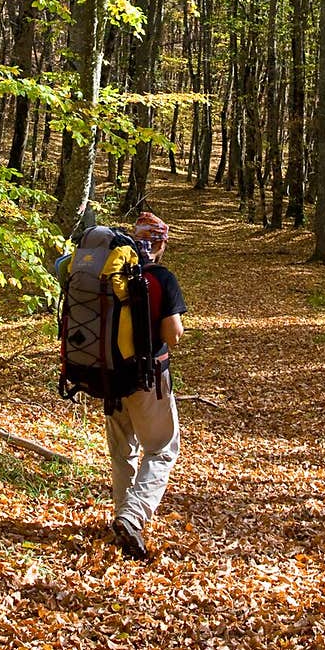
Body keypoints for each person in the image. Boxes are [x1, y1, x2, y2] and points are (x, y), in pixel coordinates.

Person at [107, 210, 186, 562]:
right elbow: (173, 333)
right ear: (160, 243)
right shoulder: (161, 278)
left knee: (123, 450)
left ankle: (123, 518)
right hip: (147, 378)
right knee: (162, 449)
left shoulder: (109, 275)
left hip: (109, 377)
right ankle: (132, 516)